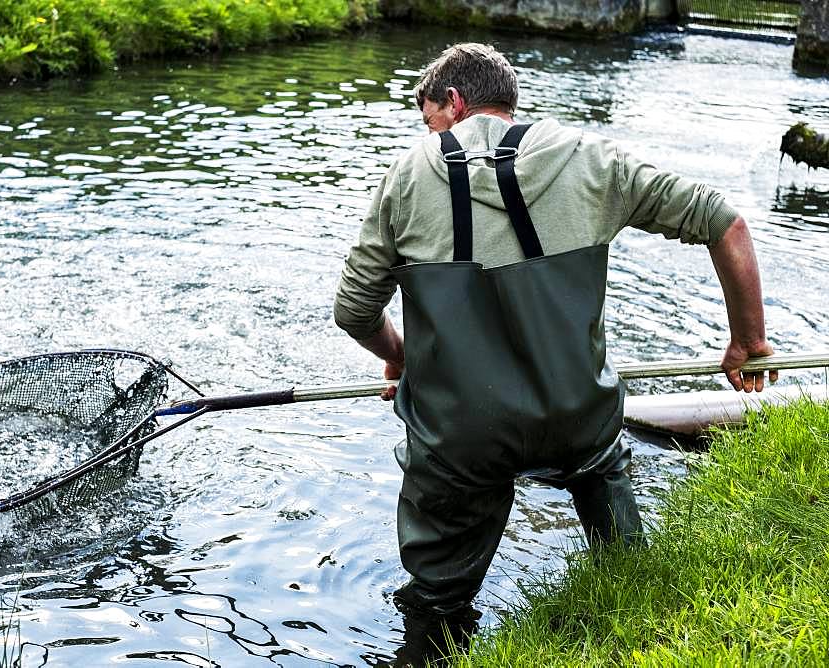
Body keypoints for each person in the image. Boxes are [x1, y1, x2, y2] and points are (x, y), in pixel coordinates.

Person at [333, 43, 777, 618]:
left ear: (454, 101)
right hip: (578, 416)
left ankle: (433, 630)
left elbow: (353, 310)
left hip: (463, 435)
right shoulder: (591, 156)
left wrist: (400, 355)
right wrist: (748, 339)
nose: (430, 132)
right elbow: (725, 223)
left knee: (436, 599)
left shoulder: (408, 173)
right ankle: (630, 589)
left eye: (429, 119)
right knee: (601, 463)